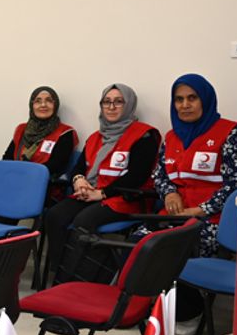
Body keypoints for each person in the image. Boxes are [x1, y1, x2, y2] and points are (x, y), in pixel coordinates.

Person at [151, 74, 237, 334]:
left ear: (205, 100)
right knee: (142, 239)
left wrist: (202, 210)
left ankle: (189, 313)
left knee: (181, 244)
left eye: (192, 98)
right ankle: (149, 307)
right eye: (179, 99)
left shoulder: (231, 133)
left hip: (212, 219)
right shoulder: (171, 137)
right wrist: (169, 194)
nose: (185, 105)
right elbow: (159, 174)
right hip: (174, 214)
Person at [44, 83, 161, 283]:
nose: (111, 107)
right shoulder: (95, 137)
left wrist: (102, 193)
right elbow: (78, 168)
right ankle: (58, 271)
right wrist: (79, 180)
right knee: (55, 215)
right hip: (91, 194)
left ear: (129, 105)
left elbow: (137, 176)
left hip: (124, 197)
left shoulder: (145, 135)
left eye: (118, 102)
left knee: (84, 220)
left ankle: (72, 281)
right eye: (106, 102)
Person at [2, 86, 77, 205]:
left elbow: (56, 165)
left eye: (49, 100)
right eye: (38, 101)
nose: (43, 105)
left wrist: (24, 176)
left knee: (5, 203)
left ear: (55, 105)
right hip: (15, 182)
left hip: (43, 187)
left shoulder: (65, 132)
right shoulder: (22, 129)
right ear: (32, 105)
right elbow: (7, 158)